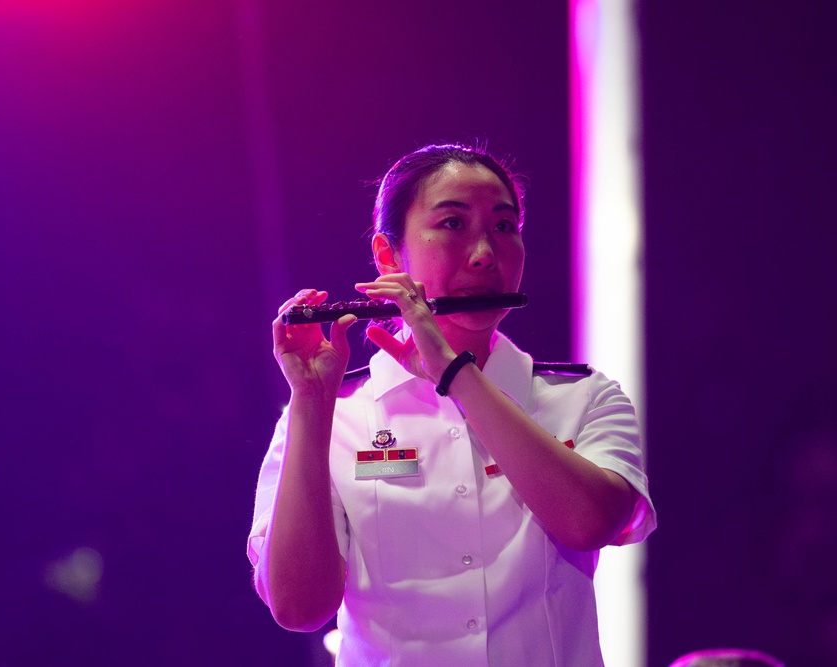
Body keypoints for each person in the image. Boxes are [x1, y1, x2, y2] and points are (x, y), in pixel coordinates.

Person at [248, 144, 656, 666]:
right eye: (453, 224)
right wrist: (308, 401)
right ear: (389, 257)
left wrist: (456, 375)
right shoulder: (332, 413)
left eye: (504, 227)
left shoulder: (583, 398)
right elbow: (299, 606)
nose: (485, 251)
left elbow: (590, 524)